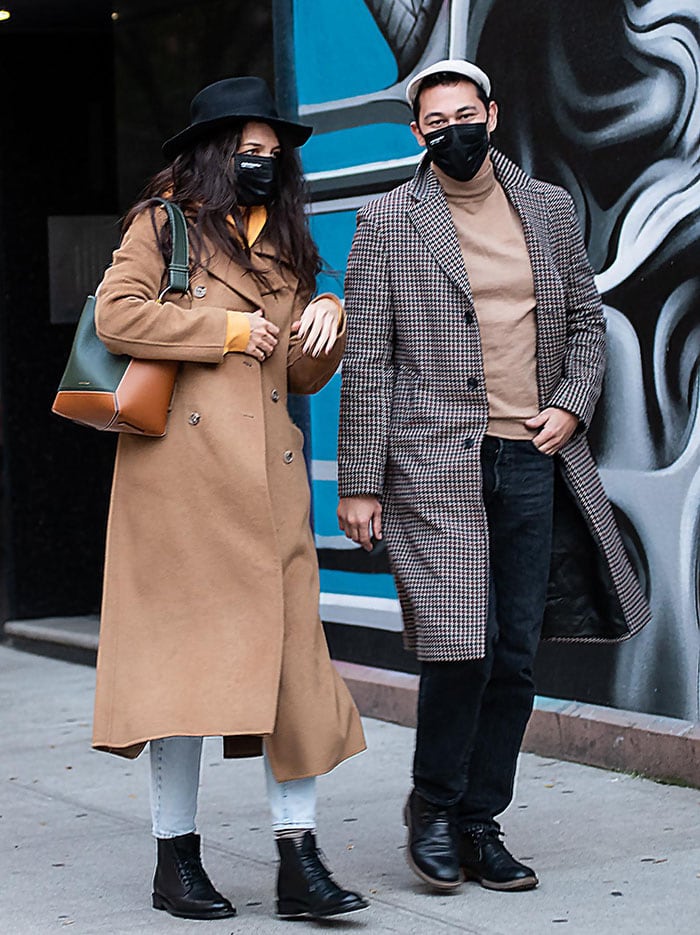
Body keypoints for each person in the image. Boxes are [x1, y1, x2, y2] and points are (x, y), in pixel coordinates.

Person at [337, 59, 651, 894]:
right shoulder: (387, 221)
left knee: (513, 653)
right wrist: (359, 482)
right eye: (434, 123)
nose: (452, 132)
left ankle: (481, 820)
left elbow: (585, 322)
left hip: (531, 459)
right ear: (417, 134)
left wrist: (574, 404)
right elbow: (367, 361)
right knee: (457, 647)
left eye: (463, 115)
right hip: (433, 464)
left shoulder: (547, 209)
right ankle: (435, 808)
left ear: (493, 112)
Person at [91, 75, 369, 922]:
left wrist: (329, 317)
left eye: (271, 155)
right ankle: (176, 861)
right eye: (247, 152)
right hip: (180, 489)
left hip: (271, 489)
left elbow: (296, 374)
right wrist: (227, 330)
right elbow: (115, 316)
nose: (261, 166)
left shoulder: (288, 242)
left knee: (296, 675)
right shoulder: (161, 224)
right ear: (213, 153)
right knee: (180, 680)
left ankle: (300, 860)